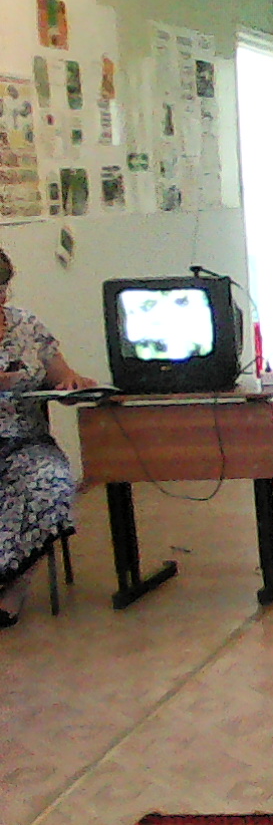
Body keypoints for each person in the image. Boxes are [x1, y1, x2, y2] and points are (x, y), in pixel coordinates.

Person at [0, 247, 97, 628]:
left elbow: (60, 376)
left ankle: (13, 590)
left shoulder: (27, 325)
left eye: (3, 288)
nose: (1, 297)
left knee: (51, 482)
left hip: (27, 443)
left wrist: (71, 383)